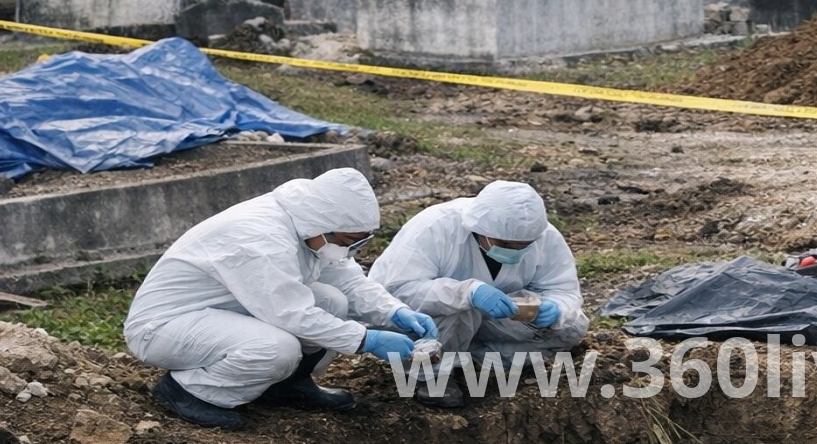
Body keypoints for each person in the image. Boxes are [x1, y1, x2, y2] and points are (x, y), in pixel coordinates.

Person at [123, 168, 437, 430]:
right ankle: (190, 391)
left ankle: (287, 385)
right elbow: (291, 314)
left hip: (224, 310)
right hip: (165, 326)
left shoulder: (310, 226)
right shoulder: (261, 238)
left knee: (332, 302)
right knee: (276, 348)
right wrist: (365, 339)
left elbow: (346, 277)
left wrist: (395, 311)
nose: (350, 249)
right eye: (348, 241)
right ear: (324, 225)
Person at [369, 180, 588, 407]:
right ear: (480, 229)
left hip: (489, 319)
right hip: (430, 320)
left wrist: (556, 307)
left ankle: (478, 359)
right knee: (458, 304)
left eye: (523, 245)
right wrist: (467, 292)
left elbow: (564, 289)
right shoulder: (436, 227)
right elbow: (397, 290)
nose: (514, 250)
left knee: (571, 327)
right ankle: (428, 376)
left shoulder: (545, 236)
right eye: (505, 243)